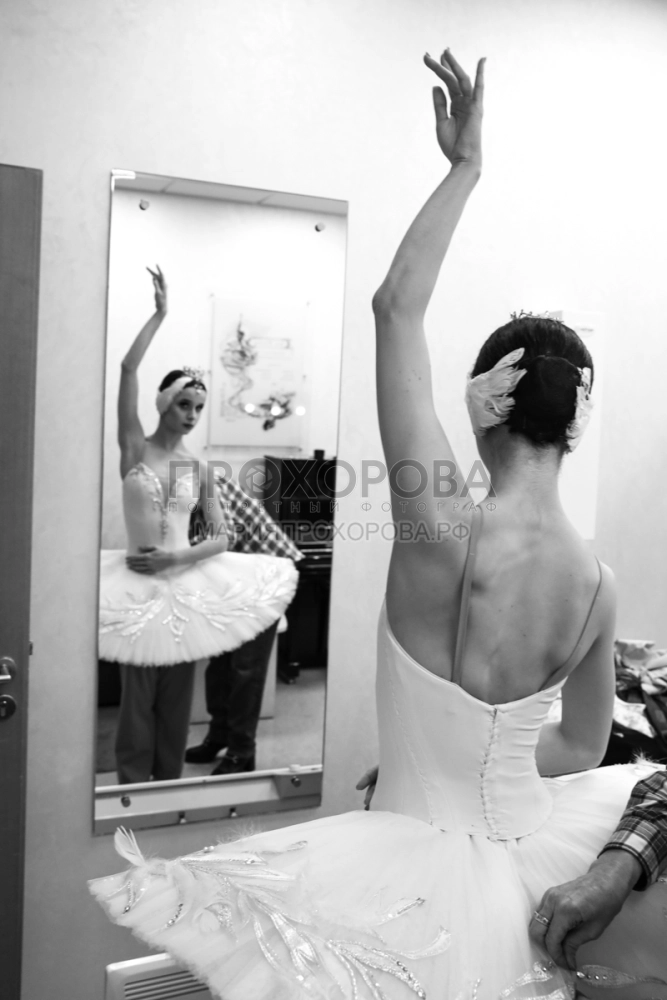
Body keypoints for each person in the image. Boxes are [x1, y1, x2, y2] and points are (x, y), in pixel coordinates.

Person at [90, 53, 667, 996]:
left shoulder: (438, 520)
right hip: (532, 865)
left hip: (410, 870)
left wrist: (464, 166)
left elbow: (396, 308)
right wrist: (465, 765)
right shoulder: (598, 586)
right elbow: (579, 743)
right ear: (572, 424)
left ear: (484, 403)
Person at [98, 267, 298, 784]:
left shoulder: (200, 468)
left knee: (177, 702)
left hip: (184, 588)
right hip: (137, 588)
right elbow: (127, 368)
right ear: (165, 404)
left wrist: (176, 557)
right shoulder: (134, 449)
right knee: (136, 702)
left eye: (200, 408)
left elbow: (223, 537)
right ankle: (131, 788)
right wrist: (160, 314)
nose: (191, 414)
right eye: (184, 404)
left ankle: (166, 787)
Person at [185, 478, 303, 774]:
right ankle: (219, 736)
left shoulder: (200, 482)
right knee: (219, 664)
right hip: (236, 580)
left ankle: (241, 751)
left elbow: (222, 541)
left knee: (245, 669)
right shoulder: (184, 485)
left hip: (266, 578)